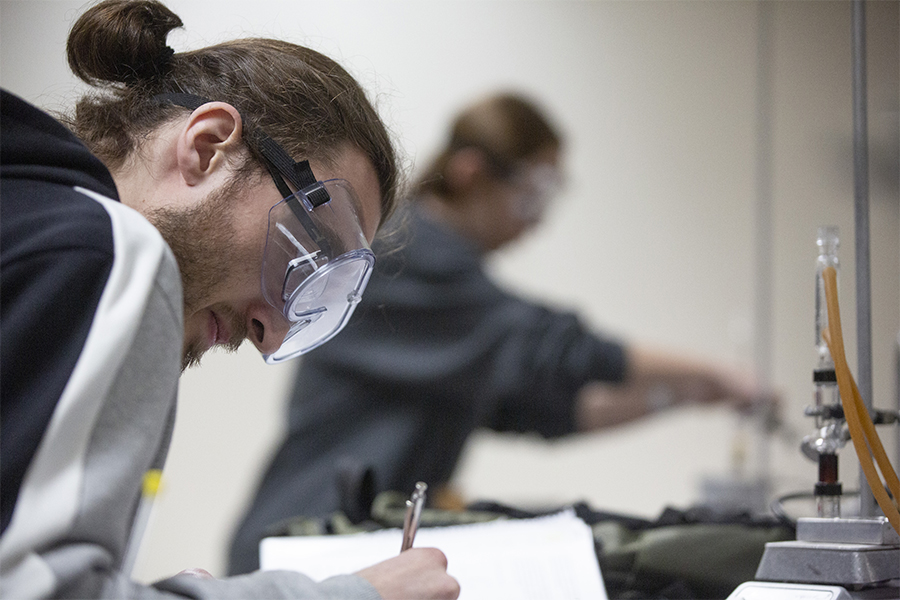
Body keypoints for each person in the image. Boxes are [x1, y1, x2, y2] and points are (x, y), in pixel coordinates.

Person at [0, 1, 460, 598]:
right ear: (209, 146)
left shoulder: (27, 220)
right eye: (309, 247)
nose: (269, 327)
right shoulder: (109, 251)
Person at [228, 92, 775, 575]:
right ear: (470, 173)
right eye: (531, 194)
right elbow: (559, 346)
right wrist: (718, 375)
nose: (536, 221)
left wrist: (684, 396)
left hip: (345, 546)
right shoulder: (404, 254)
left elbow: (547, 410)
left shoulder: (455, 310)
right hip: (305, 545)